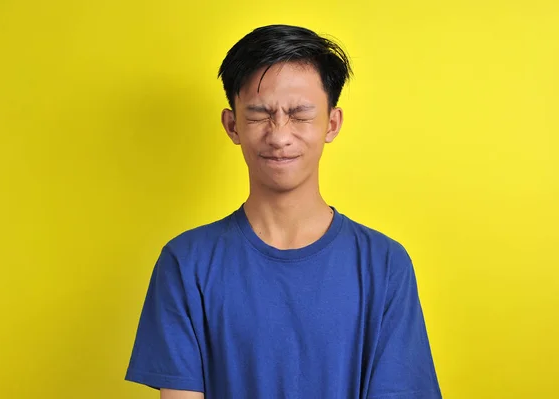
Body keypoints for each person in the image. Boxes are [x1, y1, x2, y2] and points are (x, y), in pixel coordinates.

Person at [125, 24, 441, 399]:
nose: (279, 135)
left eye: (299, 114)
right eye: (259, 115)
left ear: (332, 123)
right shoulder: (186, 263)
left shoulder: (385, 265)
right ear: (232, 125)